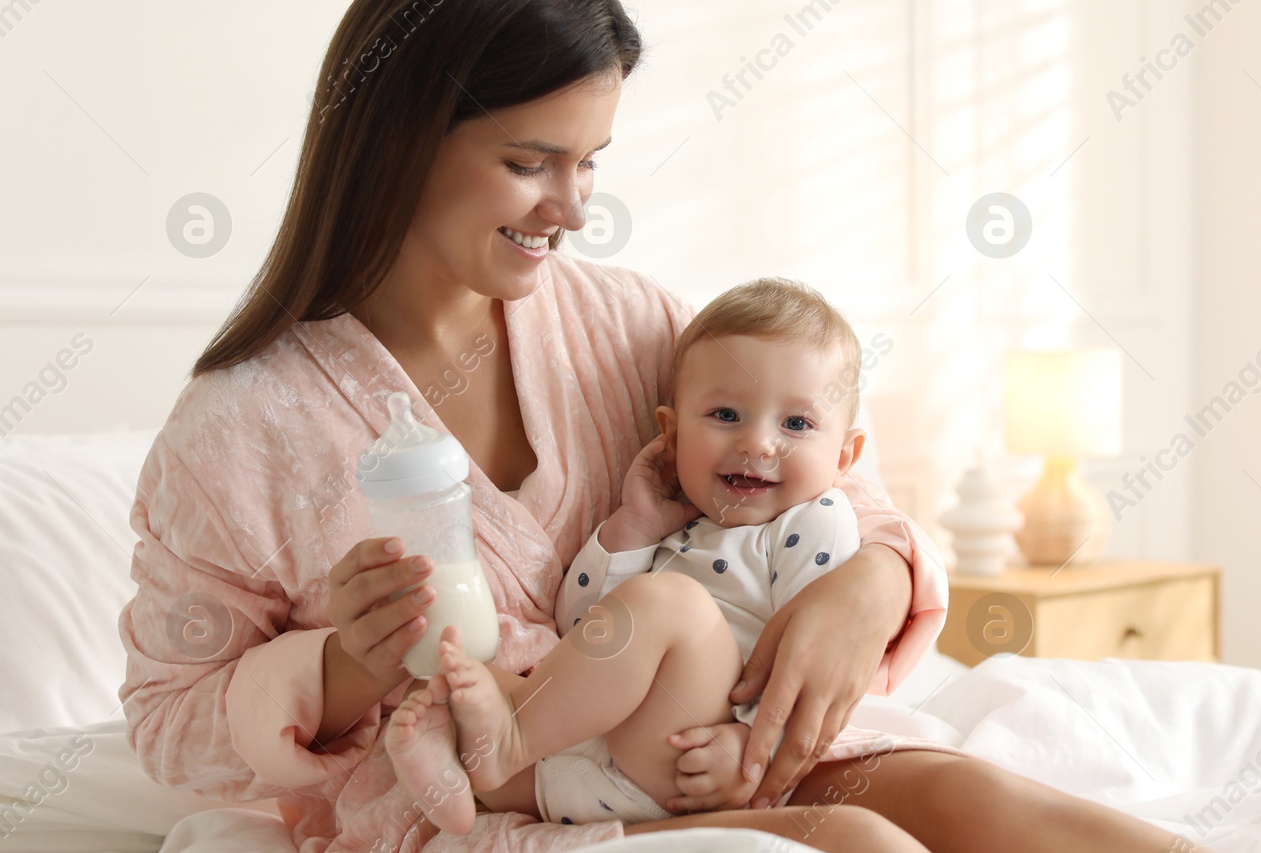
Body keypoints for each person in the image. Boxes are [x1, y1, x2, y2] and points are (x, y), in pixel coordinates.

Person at [117, 1, 1201, 850]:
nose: (573, 208)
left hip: (707, 751)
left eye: (589, 164)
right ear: (401, 136)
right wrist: (344, 668)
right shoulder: (242, 427)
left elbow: (823, 484)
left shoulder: (633, 325)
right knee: (860, 841)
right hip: (503, 806)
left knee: (973, 797)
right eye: (532, 161)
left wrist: (865, 582)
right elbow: (169, 721)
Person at [386, 278, 958, 834]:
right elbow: (585, 630)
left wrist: (750, 746)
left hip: (702, 753)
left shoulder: (816, 521)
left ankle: (506, 745)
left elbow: (811, 668)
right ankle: (468, 786)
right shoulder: (676, 524)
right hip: (604, 762)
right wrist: (632, 529)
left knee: (672, 604)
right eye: (727, 415)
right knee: (458, 679)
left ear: (844, 455)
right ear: (673, 434)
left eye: (797, 423)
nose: (759, 443)